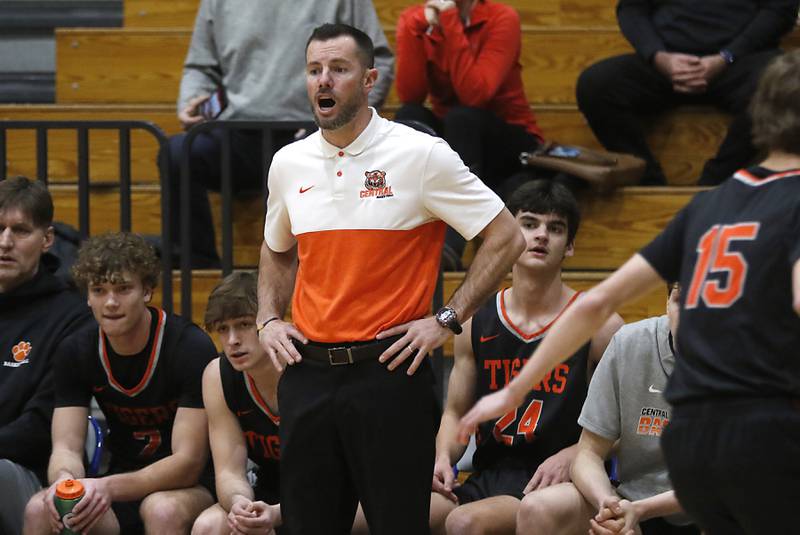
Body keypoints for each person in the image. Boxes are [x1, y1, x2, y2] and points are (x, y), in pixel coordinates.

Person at [460, 50, 800, 534]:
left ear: (762, 116)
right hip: (762, 434)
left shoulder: (711, 205)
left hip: (695, 444)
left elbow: (597, 303)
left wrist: (514, 388)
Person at [257, 23, 525, 535]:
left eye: (338, 69)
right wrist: (268, 317)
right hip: (307, 373)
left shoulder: (421, 155)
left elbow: (506, 236)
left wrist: (446, 319)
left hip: (388, 373)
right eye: (314, 70)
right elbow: (277, 250)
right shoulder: (287, 163)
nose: (324, 81)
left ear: (369, 79)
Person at [427, 180, 622, 535]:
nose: (542, 235)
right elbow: (456, 412)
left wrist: (579, 454)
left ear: (571, 246)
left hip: (557, 481)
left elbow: (629, 423)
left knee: (465, 522)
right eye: (529, 224)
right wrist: (443, 457)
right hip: (489, 474)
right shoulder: (475, 320)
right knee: (387, 509)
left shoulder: (600, 325)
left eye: (556, 228)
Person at [163, 0, 395, 267]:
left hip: (315, 131)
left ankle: (324, 268)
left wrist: (344, 120)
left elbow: (378, 59)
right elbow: (201, 66)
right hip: (239, 131)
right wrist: (193, 99)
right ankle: (196, 268)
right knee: (178, 153)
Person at [23, 232, 218, 535]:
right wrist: (64, 479)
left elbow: (188, 463)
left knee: (161, 509)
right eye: (99, 290)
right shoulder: (75, 350)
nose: (111, 302)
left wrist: (106, 487)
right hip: (121, 478)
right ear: (87, 297)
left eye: (123, 289)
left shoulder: (189, 346)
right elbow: (66, 446)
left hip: (193, 485)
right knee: (41, 507)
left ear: (147, 291)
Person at [193, 272, 370, 535]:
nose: (232, 341)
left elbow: (339, 476)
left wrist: (280, 514)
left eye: (243, 324)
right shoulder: (217, 376)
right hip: (270, 491)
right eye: (222, 329)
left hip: (344, 494)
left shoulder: (313, 368)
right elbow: (229, 471)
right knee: (209, 526)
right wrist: (241, 504)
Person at [517, 285, 700, 535]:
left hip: (710, 510)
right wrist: (608, 506)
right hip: (630, 501)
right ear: (667, 303)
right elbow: (587, 454)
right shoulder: (629, 342)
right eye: (681, 299)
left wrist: (639, 511)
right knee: (537, 508)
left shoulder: (751, 359)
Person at [576, 0, 798, 186]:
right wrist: (657, 56)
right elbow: (632, 8)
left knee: (780, 85)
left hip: (739, 61)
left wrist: (726, 57)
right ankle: (648, 184)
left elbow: (780, 11)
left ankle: (714, 184)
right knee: (596, 85)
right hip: (665, 63)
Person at [395, 0, 544, 268]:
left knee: (463, 118)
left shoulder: (501, 17)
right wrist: (415, 29)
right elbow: (411, 94)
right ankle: (406, 237)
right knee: (410, 117)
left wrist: (450, 20)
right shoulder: (416, 19)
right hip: (458, 139)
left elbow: (476, 95)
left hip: (510, 141)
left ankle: (451, 245)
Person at [0, 176, 93, 535]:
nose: (5, 242)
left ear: (47, 240)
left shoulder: (72, 318)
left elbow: (40, 428)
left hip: (29, 475)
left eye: (20, 231)